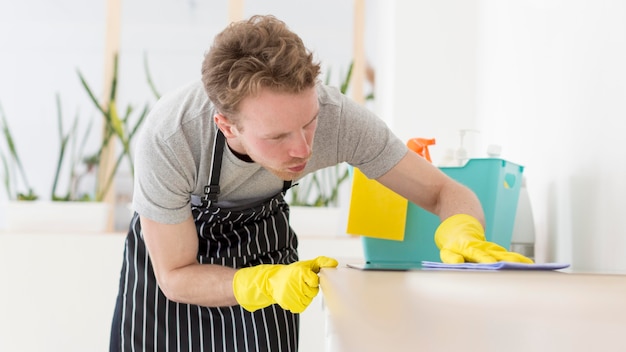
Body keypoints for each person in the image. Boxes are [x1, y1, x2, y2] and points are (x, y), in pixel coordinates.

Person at [109, 14, 532, 352]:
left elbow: (446, 192)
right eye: (277, 137)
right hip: (175, 258)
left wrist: (463, 228)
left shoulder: (340, 119)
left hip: (260, 243)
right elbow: (176, 275)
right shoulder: (172, 138)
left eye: (309, 124)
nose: (302, 149)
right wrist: (263, 283)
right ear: (226, 126)